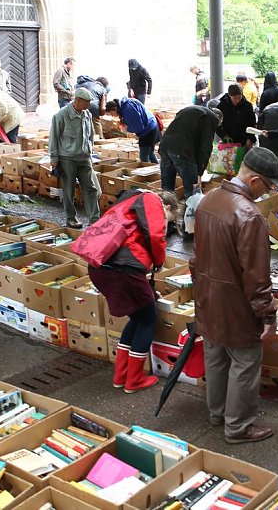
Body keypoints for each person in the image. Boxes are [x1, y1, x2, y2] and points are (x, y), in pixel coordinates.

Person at [191, 147, 278, 444]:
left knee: (216, 356)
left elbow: (196, 256)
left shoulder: (209, 200)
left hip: (208, 296)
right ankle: (238, 426)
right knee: (245, 362)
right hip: (236, 304)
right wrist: (267, 314)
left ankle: (218, 414)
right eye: (268, 186)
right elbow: (256, 276)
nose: (266, 192)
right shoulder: (248, 214)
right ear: (255, 180)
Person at [88, 190, 178, 393]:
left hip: (101, 267)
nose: (167, 225)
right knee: (148, 319)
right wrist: (159, 262)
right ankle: (135, 379)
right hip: (124, 270)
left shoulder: (128, 201)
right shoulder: (152, 201)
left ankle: (121, 376)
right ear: (168, 208)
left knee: (137, 317)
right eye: (170, 220)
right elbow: (155, 236)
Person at [49, 87, 101, 229]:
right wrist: (54, 159)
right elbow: (53, 137)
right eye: (86, 102)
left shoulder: (87, 114)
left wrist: (90, 152)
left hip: (84, 157)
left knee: (91, 188)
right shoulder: (61, 115)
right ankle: (71, 218)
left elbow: (90, 135)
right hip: (67, 158)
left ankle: (94, 219)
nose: (89, 105)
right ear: (77, 100)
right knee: (68, 189)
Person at [160, 105, 222, 199]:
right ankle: (191, 212)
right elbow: (205, 148)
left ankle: (166, 209)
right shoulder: (211, 118)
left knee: (167, 188)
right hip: (181, 149)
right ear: (218, 119)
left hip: (165, 144)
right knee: (193, 188)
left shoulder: (193, 110)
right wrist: (199, 173)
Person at [105, 98, 160, 163]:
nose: (113, 116)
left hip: (148, 130)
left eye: (111, 114)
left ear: (114, 109)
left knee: (144, 157)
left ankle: (150, 171)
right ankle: (158, 170)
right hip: (151, 125)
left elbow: (138, 127)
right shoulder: (124, 105)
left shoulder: (128, 109)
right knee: (150, 153)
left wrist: (127, 129)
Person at [217, 83, 257, 147]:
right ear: (230, 95)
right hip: (228, 141)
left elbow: (252, 123)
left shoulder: (247, 106)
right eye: (235, 98)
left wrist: (250, 138)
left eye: (239, 98)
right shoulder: (222, 106)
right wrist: (223, 135)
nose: (237, 100)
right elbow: (217, 124)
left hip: (244, 140)